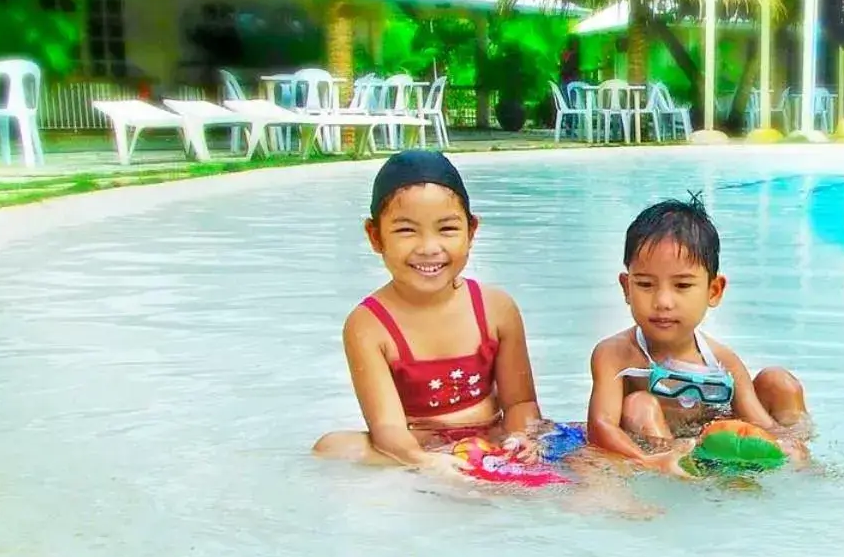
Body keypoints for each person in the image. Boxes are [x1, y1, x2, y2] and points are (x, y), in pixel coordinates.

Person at [313, 150, 544, 473]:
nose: (429, 247)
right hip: (419, 445)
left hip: (493, 439)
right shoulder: (368, 324)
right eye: (406, 231)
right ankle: (439, 468)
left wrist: (521, 438)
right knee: (331, 447)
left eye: (447, 229)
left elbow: (520, 403)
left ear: (471, 231)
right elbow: (388, 428)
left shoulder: (496, 308)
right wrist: (423, 461)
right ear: (375, 236)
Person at [586, 195, 809, 475]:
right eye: (644, 284)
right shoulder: (615, 355)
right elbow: (600, 427)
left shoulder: (723, 362)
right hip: (652, 452)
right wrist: (649, 461)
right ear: (626, 288)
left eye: (681, 285)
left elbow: (760, 423)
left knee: (779, 382)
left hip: (710, 447)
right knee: (639, 404)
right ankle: (672, 470)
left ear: (713, 291)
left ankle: (805, 465)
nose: (663, 301)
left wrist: (782, 445)